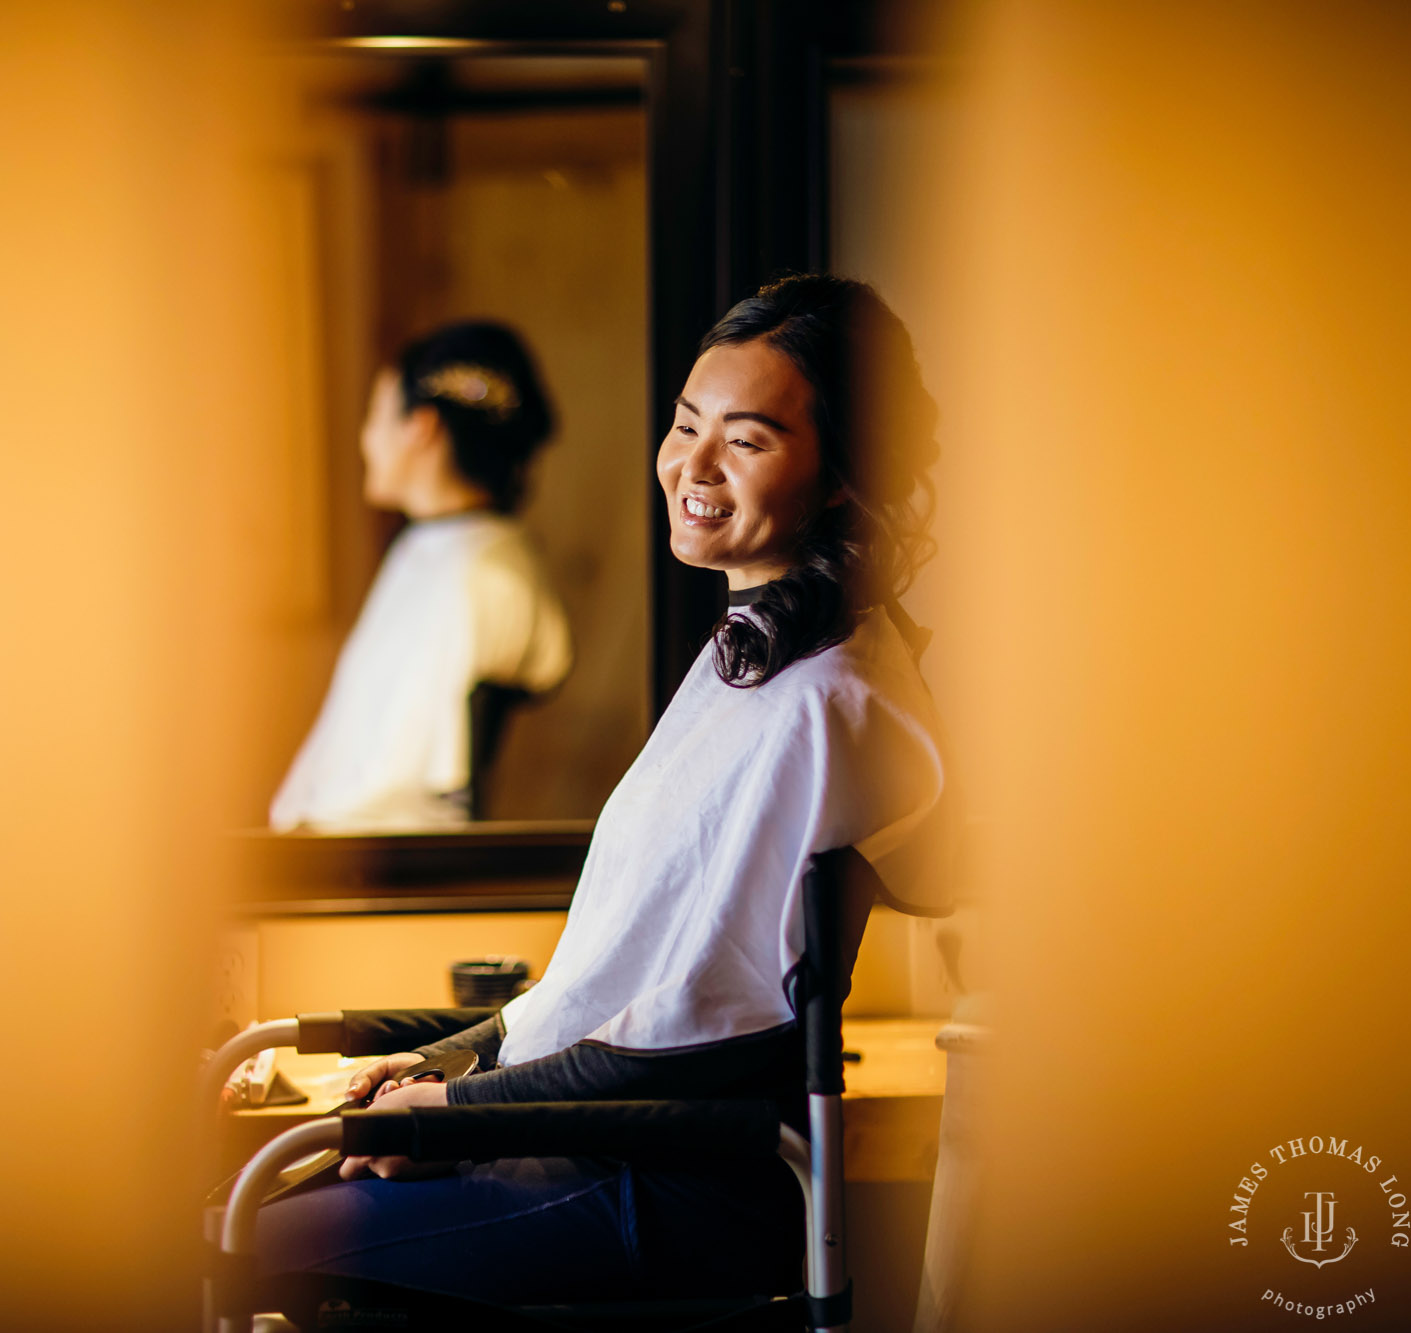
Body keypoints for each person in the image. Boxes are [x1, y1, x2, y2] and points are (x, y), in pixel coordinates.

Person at [254, 275, 954, 1308]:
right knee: (273, 1193)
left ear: (849, 472)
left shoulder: (825, 702)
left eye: (746, 439)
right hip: (590, 1145)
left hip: (656, 1183)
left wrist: (456, 1107)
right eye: (684, 425)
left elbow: (680, 1034)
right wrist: (449, 1063)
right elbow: (602, 983)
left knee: (240, 1236)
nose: (693, 466)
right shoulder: (751, 653)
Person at [269, 321, 573, 831]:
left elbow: (401, 791)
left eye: (375, 417)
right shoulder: (428, 549)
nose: (366, 439)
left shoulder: (484, 576)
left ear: (422, 427)